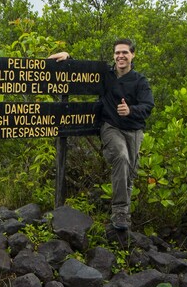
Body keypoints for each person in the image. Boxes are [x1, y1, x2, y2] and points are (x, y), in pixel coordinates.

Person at [50, 39, 153, 230]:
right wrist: (67, 58)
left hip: (134, 131)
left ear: (133, 55)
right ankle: (120, 212)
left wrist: (130, 110)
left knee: (129, 173)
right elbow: (83, 71)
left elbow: (148, 106)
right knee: (121, 158)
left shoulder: (140, 81)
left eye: (125, 53)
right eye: (117, 53)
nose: (120, 56)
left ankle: (124, 216)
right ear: (113, 55)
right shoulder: (106, 74)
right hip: (111, 127)